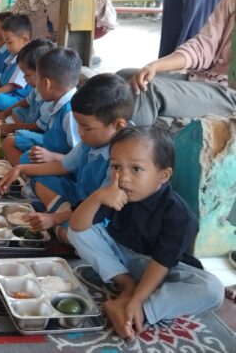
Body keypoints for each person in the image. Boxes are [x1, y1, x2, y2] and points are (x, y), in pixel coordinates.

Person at [68, 126, 223, 340]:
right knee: (76, 232)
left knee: (213, 290)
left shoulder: (179, 216)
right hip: (123, 258)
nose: (123, 177)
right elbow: (77, 227)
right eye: (116, 166)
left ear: (163, 175)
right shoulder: (116, 193)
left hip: (164, 270)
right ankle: (127, 285)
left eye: (136, 169)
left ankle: (138, 310)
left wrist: (138, 300)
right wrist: (96, 198)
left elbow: (162, 263)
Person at [0, 73, 134, 244]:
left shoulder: (122, 160)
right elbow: (62, 166)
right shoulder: (90, 142)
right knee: (39, 179)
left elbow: (101, 206)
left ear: (118, 125)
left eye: (86, 128)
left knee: (74, 234)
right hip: (78, 198)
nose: (80, 133)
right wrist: (20, 169)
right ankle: (61, 215)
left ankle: (59, 223)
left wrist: (55, 219)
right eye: (79, 125)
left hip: (97, 214)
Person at [121, 0, 236, 126]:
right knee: (124, 77)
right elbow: (203, 47)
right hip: (206, 77)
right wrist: (155, 66)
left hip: (231, 94)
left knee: (145, 91)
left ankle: (132, 139)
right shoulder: (232, 0)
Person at [17, 47, 82, 165]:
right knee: (17, 144)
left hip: (61, 164)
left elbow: (80, 159)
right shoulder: (58, 102)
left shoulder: (70, 113)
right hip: (49, 149)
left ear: (46, 83)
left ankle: (25, 172)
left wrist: (53, 157)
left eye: (38, 79)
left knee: (28, 164)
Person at [0, 38, 56, 165]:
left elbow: (39, 127)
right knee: (17, 111)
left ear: (41, 72)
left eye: (27, 74)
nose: (24, 78)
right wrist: (4, 113)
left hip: (45, 137)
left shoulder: (51, 98)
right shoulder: (38, 89)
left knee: (9, 141)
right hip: (36, 125)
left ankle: (25, 170)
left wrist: (14, 127)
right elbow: (26, 102)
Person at [0, 14, 34, 110]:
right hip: (8, 93)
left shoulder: (26, 59)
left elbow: (11, 86)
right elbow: (1, 80)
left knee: (0, 99)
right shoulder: (12, 56)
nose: (7, 47)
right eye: (6, 43)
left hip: (18, 98)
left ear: (24, 39)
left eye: (10, 42)